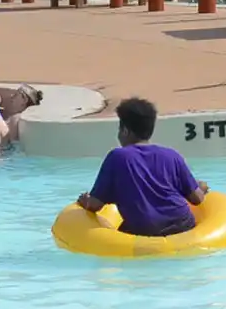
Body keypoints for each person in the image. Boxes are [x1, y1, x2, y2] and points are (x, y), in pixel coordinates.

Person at [76, 97, 208, 237]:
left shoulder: (117, 157)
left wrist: (85, 201)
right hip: (183, 226)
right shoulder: (172, 155)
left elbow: (95, 205)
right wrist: (202, 188)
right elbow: (197, 199)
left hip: (145, 231)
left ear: (125, 131)